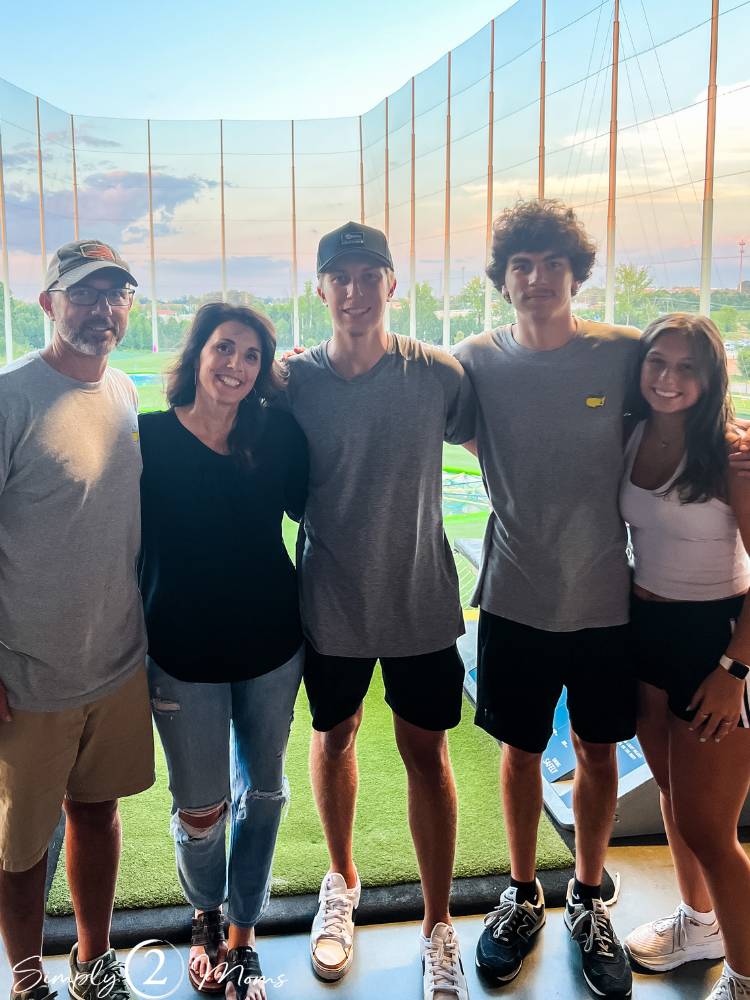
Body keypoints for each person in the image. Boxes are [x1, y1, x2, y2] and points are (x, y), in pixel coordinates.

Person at [453, 201, 640, 998]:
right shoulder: (475, 359)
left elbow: (690, 406)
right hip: (514, 594)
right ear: (502, 280)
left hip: (606, 595)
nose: (536, 279)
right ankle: (524, 893)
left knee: (598, 752)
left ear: (576, 272)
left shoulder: (623, 355)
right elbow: (450, 424)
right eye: (520, 265)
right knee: (521, 751)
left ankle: (589, 896)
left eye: (551, 263)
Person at [284, 222, 475, 999]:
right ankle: (341, 882)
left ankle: (437, 927)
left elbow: (507, 442)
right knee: (334, 739)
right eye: (341, 277)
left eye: (371, 276)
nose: (356, 291)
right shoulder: (293, 381)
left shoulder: (437, 374)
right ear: (321, 289)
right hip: (330, 601)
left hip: (421, 600)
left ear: (393, 285)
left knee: (426, 756)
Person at [138, 303, 309, 1000]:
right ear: (197, 354)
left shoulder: (275, 434)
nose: (235, 365)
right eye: (224, 348)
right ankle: (204, 913)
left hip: (271, 644)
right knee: (201, 810)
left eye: (250, 355)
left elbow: (310, 509)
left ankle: (242, 933)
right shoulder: (144, 438)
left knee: (262, 795)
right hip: (180, 650)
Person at [0, 240, 154, 1000]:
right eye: (86, 294)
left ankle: (94, 965)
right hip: (31, 675)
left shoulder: (123, 392)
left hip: (116, 666)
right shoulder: (10, 399)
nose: (103, 309)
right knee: (20, 846)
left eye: (116, 294)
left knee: (98, 816)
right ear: (49, 304)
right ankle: (28, 981)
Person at [620, 314, 750, 1000]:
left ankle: (747, 975)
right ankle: (700, 925)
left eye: (686, 367)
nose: (668, 378)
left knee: (710, 827)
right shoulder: (632, 432)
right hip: (648, 632)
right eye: (656, 363)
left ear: (711, 377)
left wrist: (734, 672)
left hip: (714, 644)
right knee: (673, 794)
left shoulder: (732, 455)